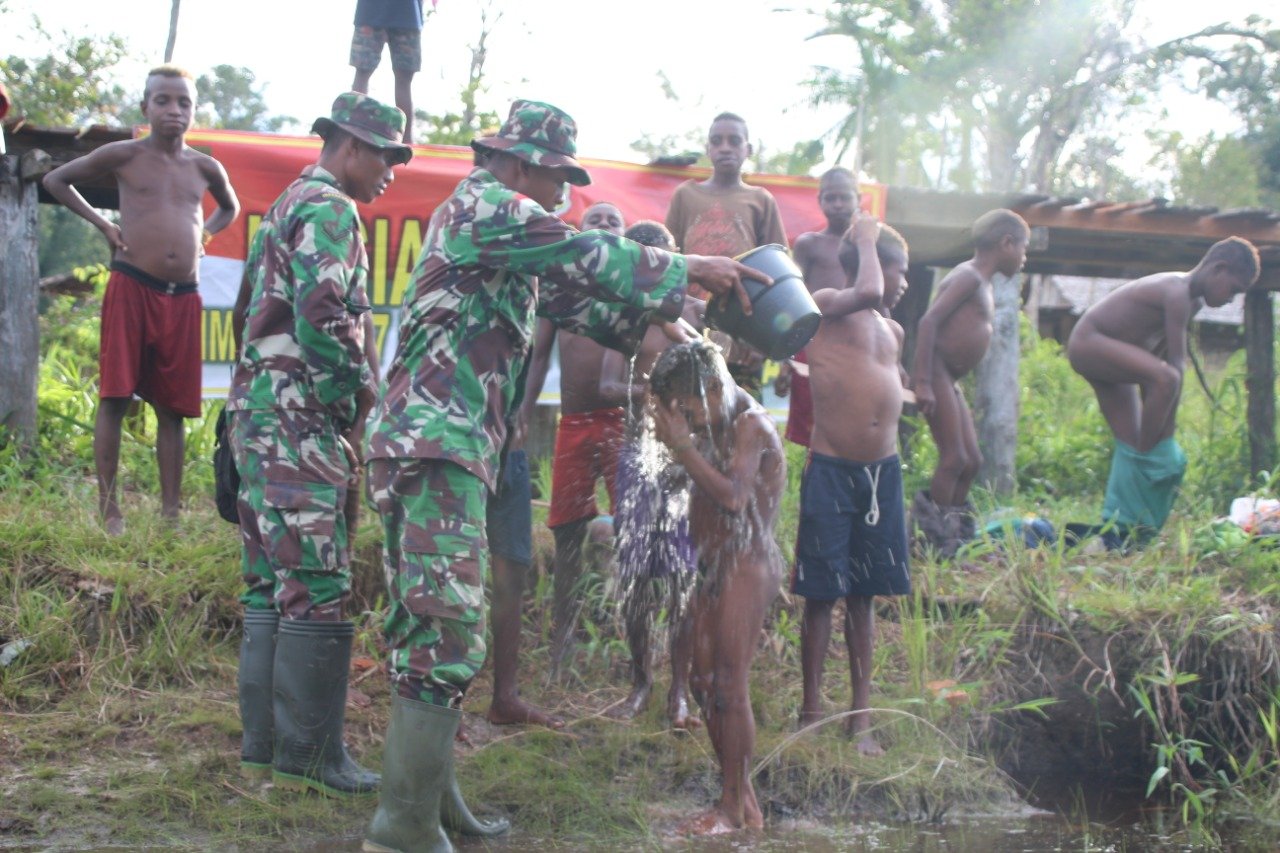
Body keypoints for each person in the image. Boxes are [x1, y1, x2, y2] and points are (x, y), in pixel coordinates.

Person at [360, 99, 767, 851]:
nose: (563, 195)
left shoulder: (497, 232)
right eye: (556, 179)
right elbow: (587, 256)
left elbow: (575, 299)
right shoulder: (490, 206)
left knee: (437, 620)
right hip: (433, 442)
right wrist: (688, 265)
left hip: (444, 445)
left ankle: (433, 796)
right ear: (521, 164)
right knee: (442, 626)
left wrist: (669, 317)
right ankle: (401, 825)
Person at [226, 92, 412, 797]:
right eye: (387, 155)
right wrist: (354, 398)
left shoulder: (284, 204)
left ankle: (263, 750)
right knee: (319, 585)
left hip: (258, 416)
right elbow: (324, 315)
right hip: (301, 422)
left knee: (270, 581)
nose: (392, 170)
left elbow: (249, 308)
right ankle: (311, 757)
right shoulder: (333, 209)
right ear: (350, 147)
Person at [42, 64, 240, 535]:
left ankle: (170, 514)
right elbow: (56, 181)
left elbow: (229, 208)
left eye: (184, 103)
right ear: (146, 107)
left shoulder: (204, 166)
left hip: (184, 294)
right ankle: (110, 510)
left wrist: (205, 235)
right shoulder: (124, 155)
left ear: (193, 111)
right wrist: (106, 226)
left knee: (172, 408)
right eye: (164, 101)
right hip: (132, 284)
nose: (174, 110)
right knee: (115, 394)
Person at [649, 339, 786, 835]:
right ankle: (743, 804)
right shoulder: (711, 416)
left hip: (747, 565)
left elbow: (732, 497)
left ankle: (731, 809)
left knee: (730, 684)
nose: (684, 421)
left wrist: (683, 446)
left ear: (711, 389)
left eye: (685, 410)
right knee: (705, 685)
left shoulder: (750, 424)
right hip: (712, 561)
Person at [794, 213, 912, 757]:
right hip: (832, 472)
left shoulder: (893, 330)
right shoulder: (827, 306)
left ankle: (858, 718)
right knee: (821, 596)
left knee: (864, 599)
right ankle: (811, 712)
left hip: (880, 477)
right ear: (869, 266)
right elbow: (867, 289)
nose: (904, 284)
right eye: (899, 271)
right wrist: (865, 237)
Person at [1067, 237, 1260, 544]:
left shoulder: (1192, 301)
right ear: (1218, 268)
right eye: (1233, 289)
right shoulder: (1177, 291)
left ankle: (1123, 529)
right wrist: (1156, 449)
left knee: (1130, 441)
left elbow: (1155, 364)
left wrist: (1162, 436)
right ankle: (1146, 459)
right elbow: (1173, 371)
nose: (1230, 300)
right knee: (1164, 387)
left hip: (1116, 357)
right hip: (1089, 342)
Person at [598, 220, 704, 724]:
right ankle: (640, 682)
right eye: (642, 263)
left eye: (660, 262)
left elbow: (714, 393)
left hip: (686, 467)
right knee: (637, 579)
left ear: (674, 263)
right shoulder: (626, 323)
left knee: (684, 578)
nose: (653, 274)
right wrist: (655, 394)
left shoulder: (693, 320)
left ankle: (678, 691)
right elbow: (608, 386)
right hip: (640, 461)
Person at [534, 201, 631, 678]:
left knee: (635, 535)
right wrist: (520, 414)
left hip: (621, 426)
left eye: (615, 221)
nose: (605, 226)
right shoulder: (561, 290)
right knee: (567, 534)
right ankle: (562, 643)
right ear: (579, 232)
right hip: (573, 425)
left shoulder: (635, 293)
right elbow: (536, 357)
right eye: (596, 220)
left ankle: (635, 647)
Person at [909, 209, 1029, 556]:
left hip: (951, 378)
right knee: (954, 458)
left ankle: (955, 535)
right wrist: (923, 381)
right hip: (938, 371)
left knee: (972, 460)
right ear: (1007, 243)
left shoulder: (984, 282)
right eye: (1024, 248)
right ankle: (933, 541)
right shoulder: (970, 277)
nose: (1024, 257)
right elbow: (929, 322)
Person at [664, 112, 788, 399]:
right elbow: (668, 260)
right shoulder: (686, 195)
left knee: (740, 422)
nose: (725, 148)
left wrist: (764, 342)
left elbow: (777, 274)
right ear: (708, 149)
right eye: (717, 141)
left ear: (748, 149)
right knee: (687, 418)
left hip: (744, 336)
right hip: (689, 329)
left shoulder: (760, 199)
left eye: (734, 141)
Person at [774, 167, 860, 448]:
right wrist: (787, 359)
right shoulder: (809, 244)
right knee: (811, 424)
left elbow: (878, 297)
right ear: (820, 201)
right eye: (830, 198)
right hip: (815, 341)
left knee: (852, 414)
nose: (837, 205)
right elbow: (793, 298)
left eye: (844, 198)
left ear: (858, 199)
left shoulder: (868, 245)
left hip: (856, 342)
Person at [350, 0, 429, 143]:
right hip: (407, 13)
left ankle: (353, 135)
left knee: (362, 74)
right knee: (403, 82)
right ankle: (406, 142)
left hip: (372, 11)